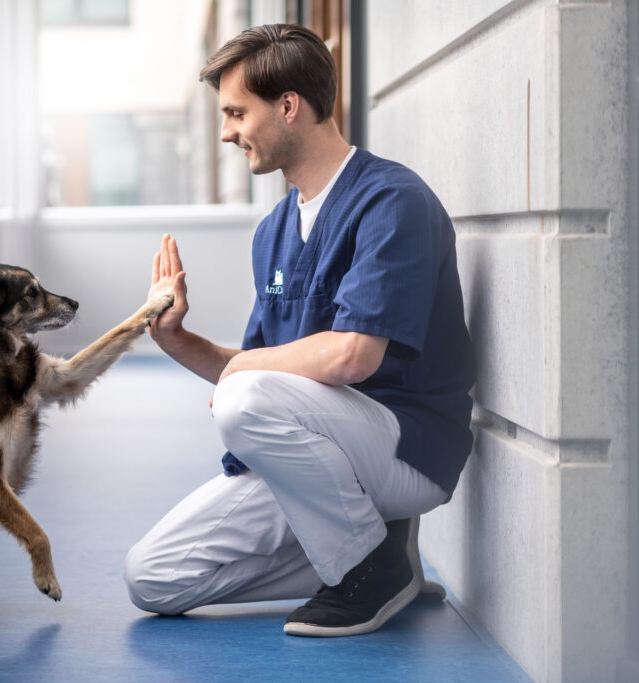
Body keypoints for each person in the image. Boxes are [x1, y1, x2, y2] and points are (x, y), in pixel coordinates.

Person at [123, 24, 476, 637]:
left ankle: (368, 573)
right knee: (152, 576)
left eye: (236, 112)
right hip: (319, 457)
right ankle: (378, 550)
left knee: (245, 395)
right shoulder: (273, 231)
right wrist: (178, 340)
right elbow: (263, 365)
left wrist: (240, 375)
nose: (227, 132)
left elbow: (351, 359)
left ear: (289, 106)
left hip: (404, 449)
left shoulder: (393, 202)